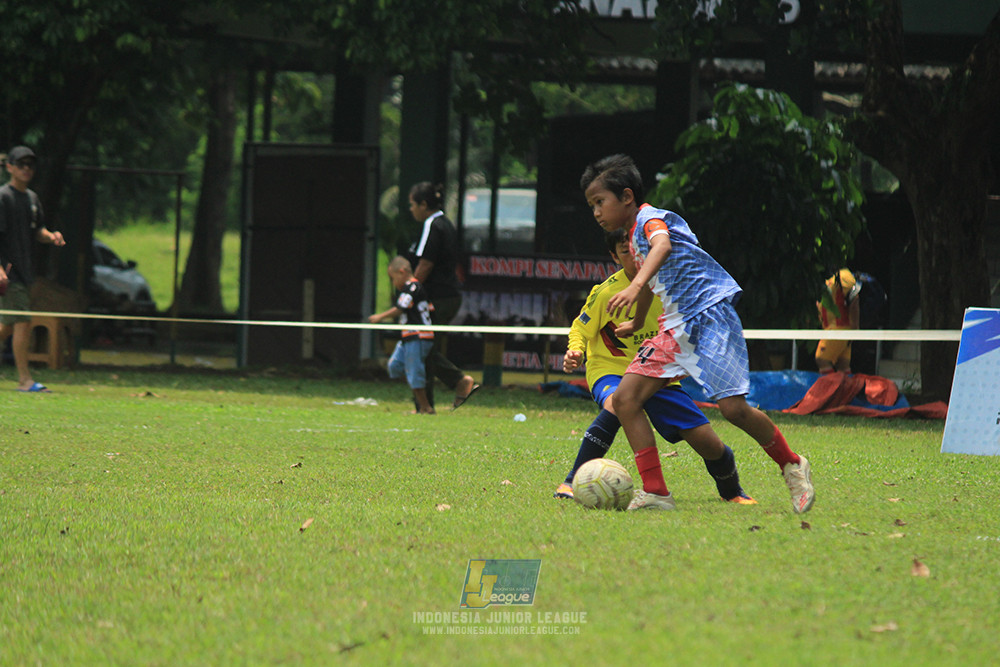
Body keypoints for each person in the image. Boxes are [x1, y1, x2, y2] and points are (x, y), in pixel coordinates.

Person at [580, 153, 814, 513]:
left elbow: (663, 247)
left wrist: (634, 284)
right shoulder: (633, 236)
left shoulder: (649, 219)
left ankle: (792, 464)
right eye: (592, 205)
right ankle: (656, 491)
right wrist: (636, 318)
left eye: (600, 202)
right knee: (626, 399)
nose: (596, 212)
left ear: (626, 197)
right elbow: (652, 284)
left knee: (733, 410)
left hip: (710, 317)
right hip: (673, 328)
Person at [555, 228, 756, 507]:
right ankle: (572, 478)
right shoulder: (606, 293)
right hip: (610, 369)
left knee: (707, 442)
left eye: (638, 250)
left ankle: (732, 490)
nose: (635, 257)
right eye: (625, 252)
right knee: (617, 403)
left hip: (657, 372)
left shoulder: (667, 290)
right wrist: (575, 350)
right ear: (614, 257)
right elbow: (580, 326)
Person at [406, 182, 478, 410]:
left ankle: (459, 381)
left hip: (437, 298)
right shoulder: (445, 223)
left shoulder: (432, 224)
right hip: (448, 296)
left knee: (420, 349)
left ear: (423, 205)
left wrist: (411, 292)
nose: (411, 210)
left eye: (412, 205)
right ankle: (425, 407)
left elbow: (426, 263)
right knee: (424, 350)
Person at [0, 146, 66, 393]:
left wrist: (51, 236)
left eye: (30, 165)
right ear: (10, 167)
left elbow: (37, 230)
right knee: (23, 322)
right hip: (9, 271)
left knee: (8, 325)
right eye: (21, 164)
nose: (26, 169)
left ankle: (24, 380)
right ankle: (25, 380)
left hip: (25, 270)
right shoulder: (3, 197)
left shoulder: (32, 199)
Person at [369, 256, 437, 414]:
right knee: (394, 366)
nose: (393, 283)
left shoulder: (412, 287)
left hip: (418, 336)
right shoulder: (413, 289)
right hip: (408, 336)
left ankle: (425, 407)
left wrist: (380, 317)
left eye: (392, 278)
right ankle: (420, 397)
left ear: (402, 272)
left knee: (414, 370)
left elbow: (401, 307)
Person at [815, 268, 861, 374]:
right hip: (833, 329)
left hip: (839, 329)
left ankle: (831, 390)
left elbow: (855, 297)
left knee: (821, 359)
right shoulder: (825, 280)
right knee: (842, 365)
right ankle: (846, 390)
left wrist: (855, 326)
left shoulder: (842, 275)